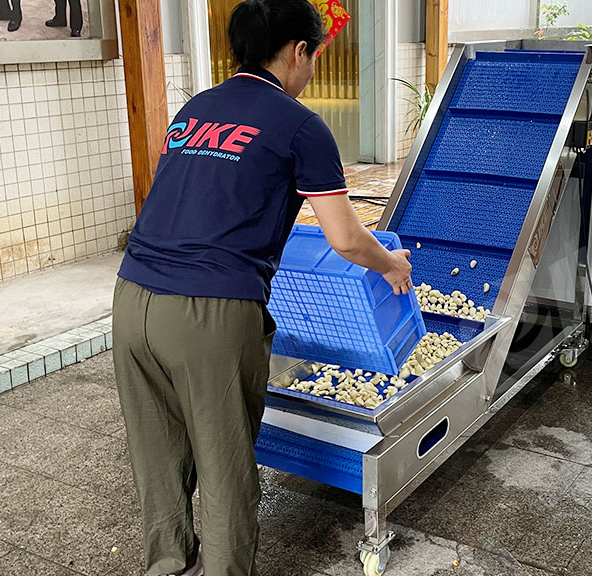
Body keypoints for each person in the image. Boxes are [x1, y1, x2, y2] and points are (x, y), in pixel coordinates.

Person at [112, 0, 413, 574]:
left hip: (131, 300)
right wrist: (390, 266)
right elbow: (346, 239)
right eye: (316, 56)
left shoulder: (197, 107)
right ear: (299, 51)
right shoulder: (301, 124)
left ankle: (168, 565)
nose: (313, 68)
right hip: (209, 314)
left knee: (158, 458)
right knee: (224, 467)